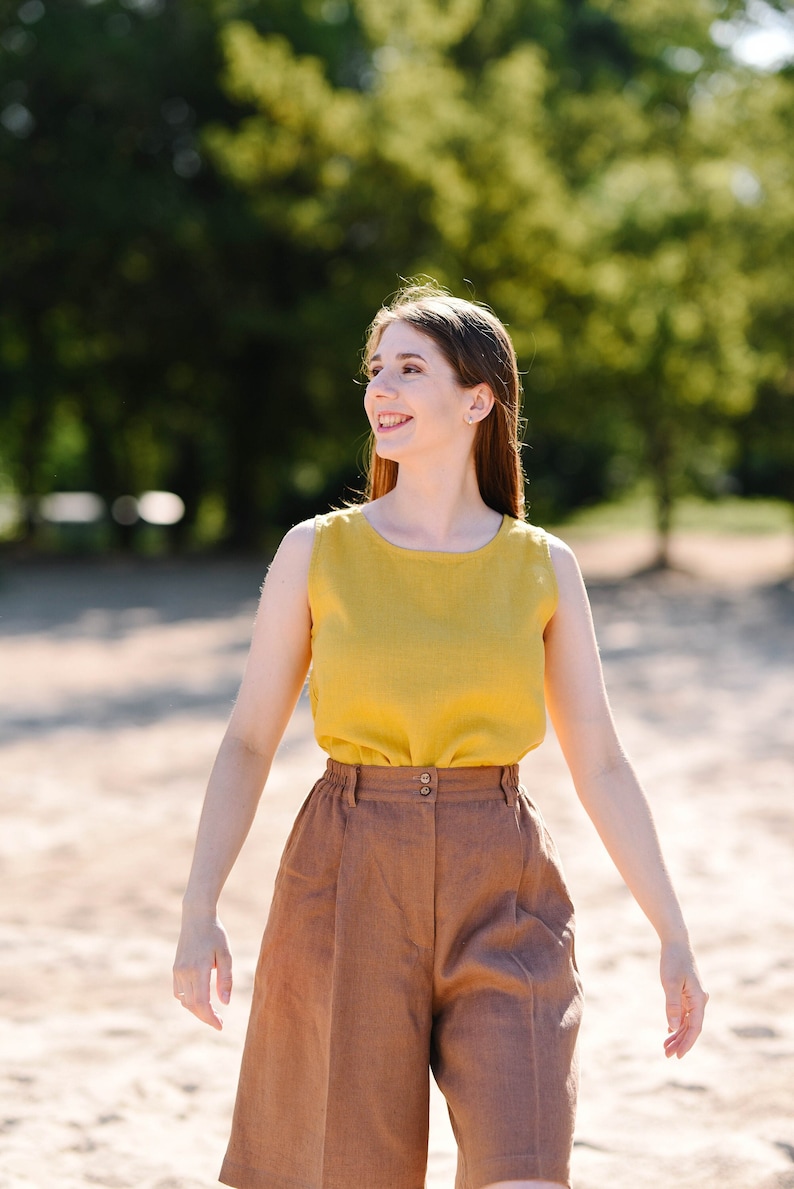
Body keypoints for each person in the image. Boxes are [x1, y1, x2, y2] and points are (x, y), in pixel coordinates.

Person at [173, 283, 708, 1189]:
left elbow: (602, 760)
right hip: (346, 874)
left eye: (410, 368)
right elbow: (248, 741)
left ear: (478, 398)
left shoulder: (543, 565)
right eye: (376, 370)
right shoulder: (317, 550)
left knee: (526, 1168)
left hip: (502, 889)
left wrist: (674, 931)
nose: (382, 387)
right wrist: (197, 911)